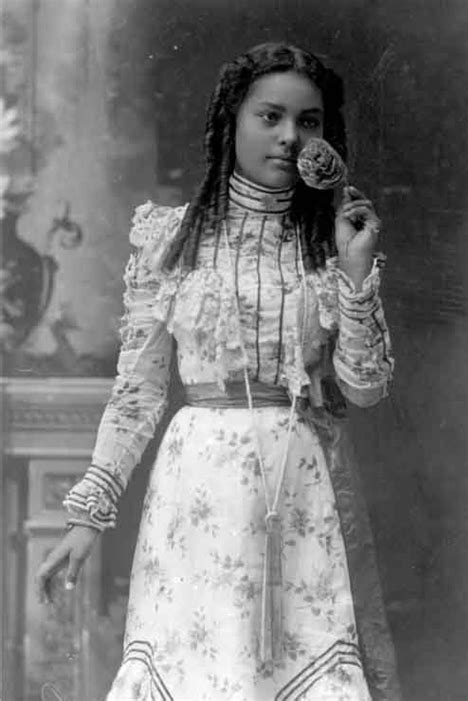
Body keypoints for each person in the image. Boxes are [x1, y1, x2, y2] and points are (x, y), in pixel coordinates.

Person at [36, 42, 402, 701]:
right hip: (196, 491)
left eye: (309, 121)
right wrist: (88, 515)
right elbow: (138, 390)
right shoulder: (169, 239)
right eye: (270, 117)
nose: (291, 136)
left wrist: (355, 274)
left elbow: (366, 388)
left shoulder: (335, 242)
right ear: (230, 121)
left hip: (302, 488)